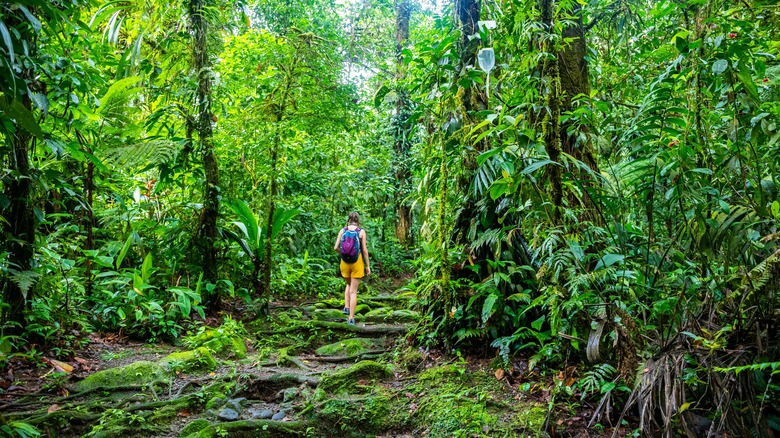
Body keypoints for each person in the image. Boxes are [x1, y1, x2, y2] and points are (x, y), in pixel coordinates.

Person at [334, 212, 371, 325]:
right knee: (354, 291)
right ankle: (351, 318)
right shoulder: (361, 232)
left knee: (348, 284)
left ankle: (346, 306)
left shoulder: (342, 230)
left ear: (348, 220)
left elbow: (335, 247)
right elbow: (364, 250)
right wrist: (368, 266)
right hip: (357, 262)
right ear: (358, 220)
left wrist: (343, 254)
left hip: (344, 263)